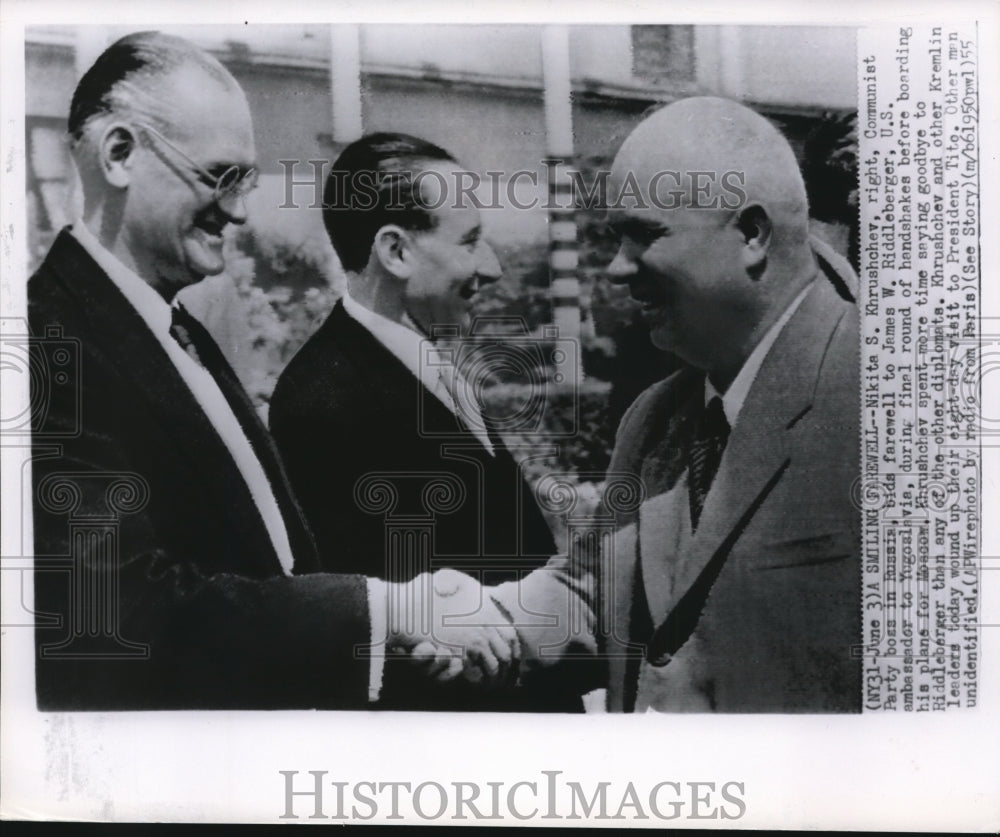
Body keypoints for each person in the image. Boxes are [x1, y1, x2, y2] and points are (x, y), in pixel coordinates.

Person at [28, 31, 514, 710]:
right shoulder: (45, 345)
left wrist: (396, 624)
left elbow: (269, 565)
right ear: (118, 155)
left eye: (246, 182)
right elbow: (119, 615)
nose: (236, 210)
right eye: (219, 176)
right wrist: (387, 609)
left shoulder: (174, 327)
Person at [489, 96, 862, 712]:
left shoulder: (893, 401)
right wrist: (424, 620)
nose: (615, 269)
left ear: (751, 233)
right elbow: (593, 589)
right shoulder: (654, 419)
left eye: (643, 236)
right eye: (615, 239)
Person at [269, 133, 570, 710]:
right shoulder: (320, 403)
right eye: (471, 242)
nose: (494, 266)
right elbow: (378, 633)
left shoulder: (427, 358)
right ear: (396, 252)